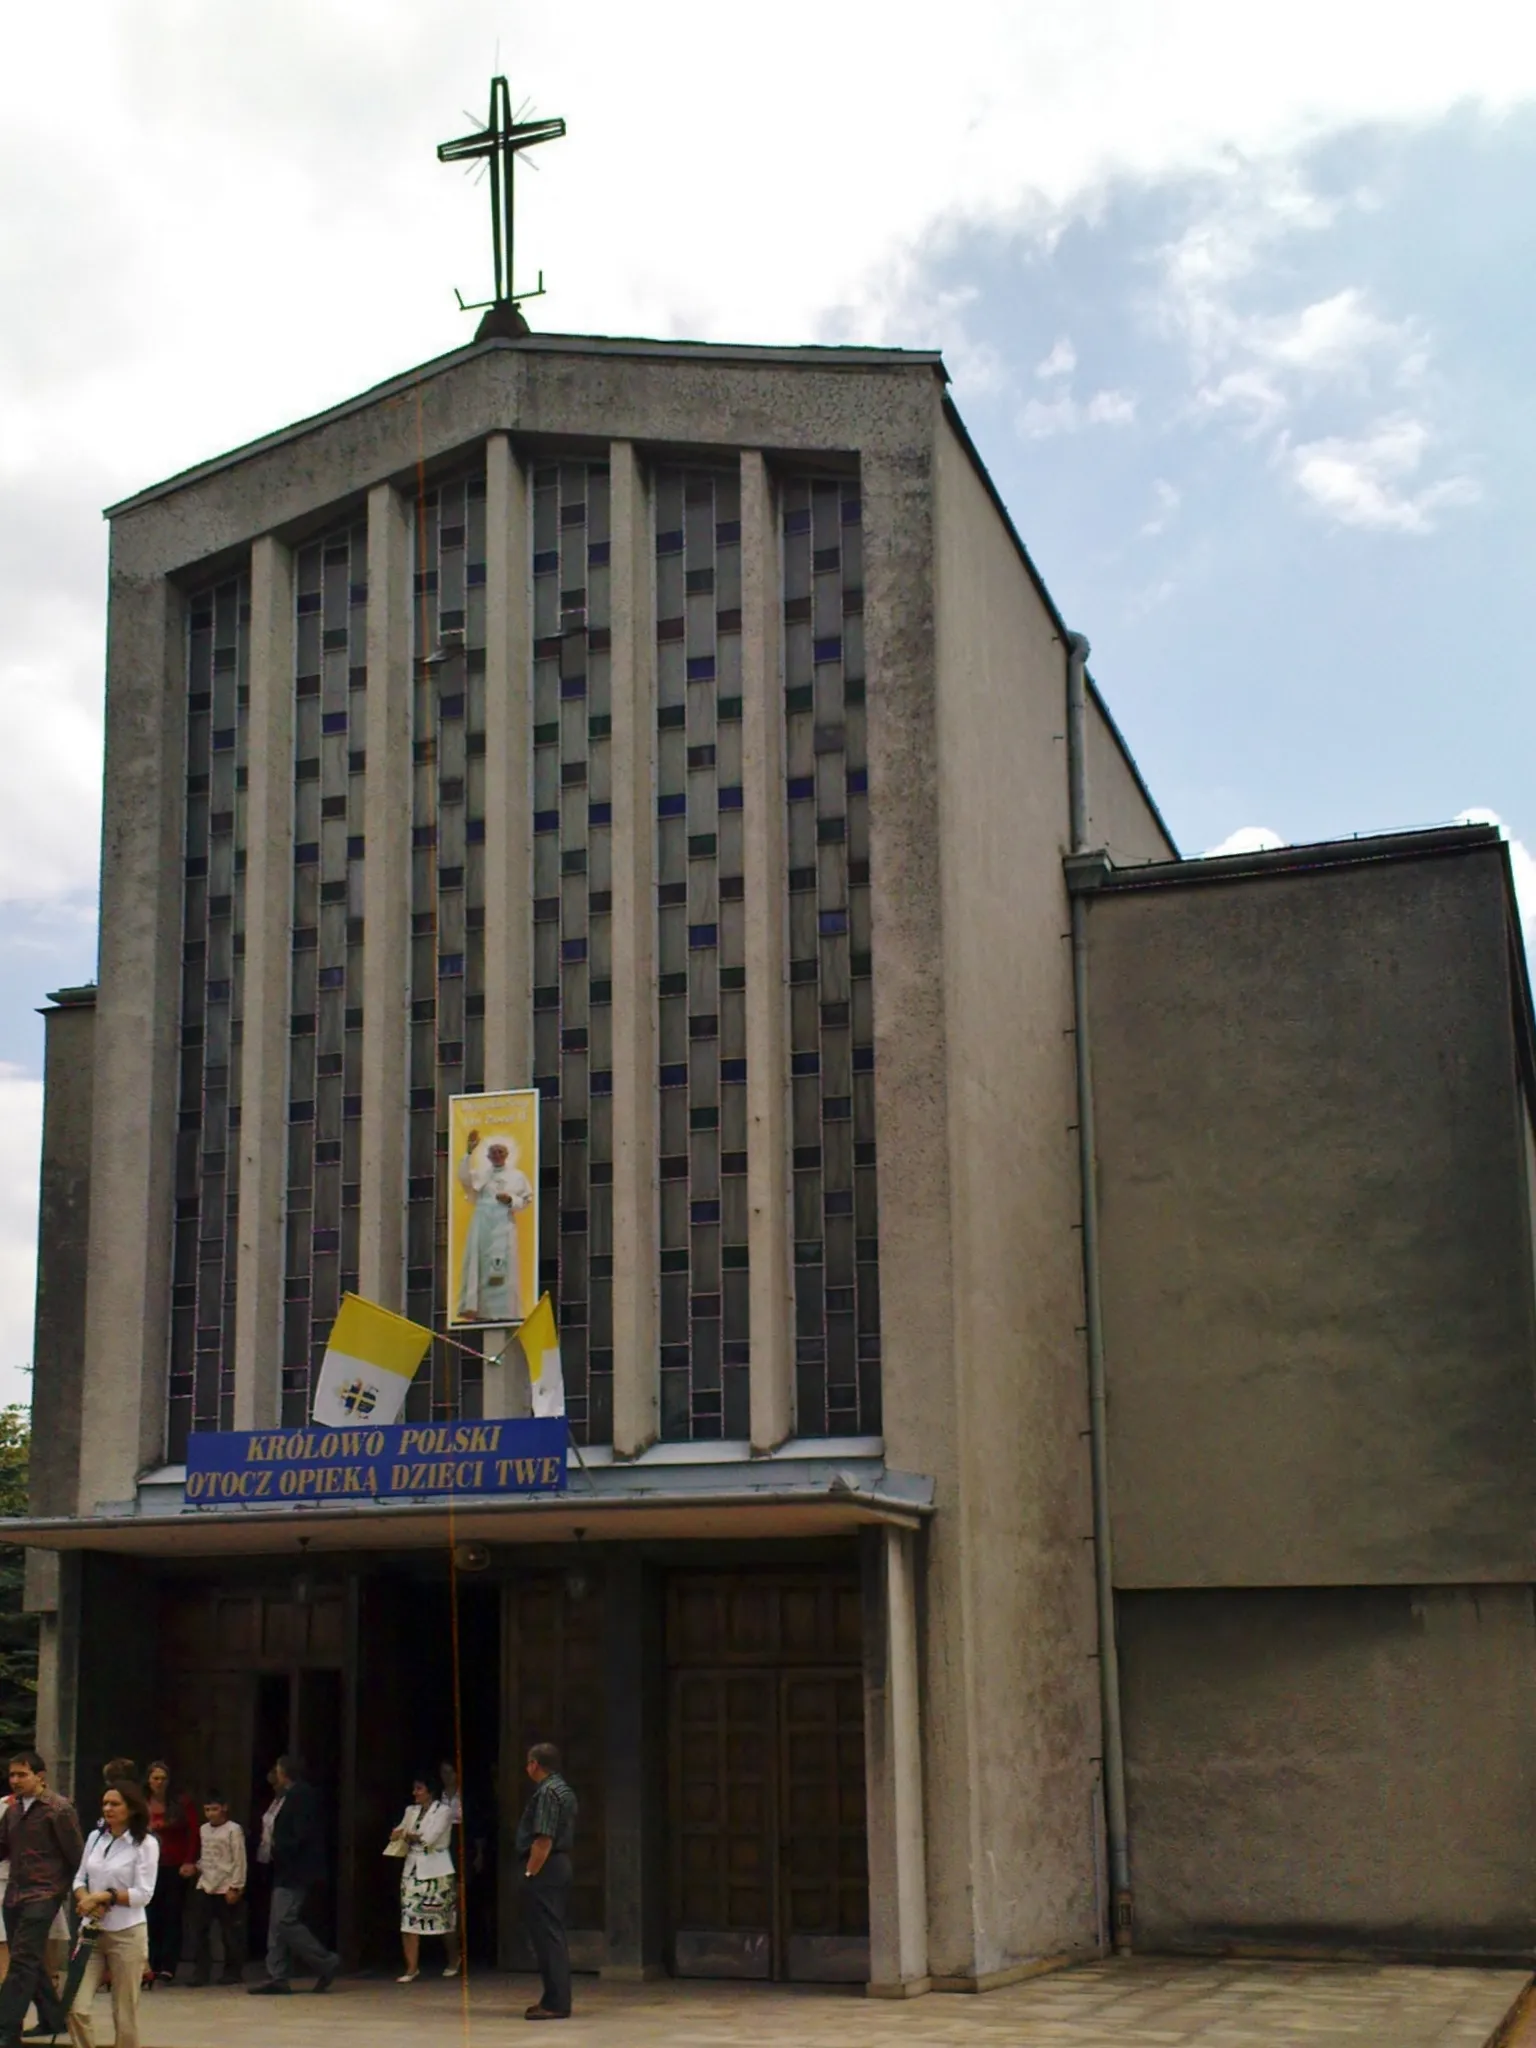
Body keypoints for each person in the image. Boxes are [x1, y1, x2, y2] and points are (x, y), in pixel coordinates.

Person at [66, 1779, 158, 2048]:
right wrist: (85, 1898)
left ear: (130, 1808)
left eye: (115, 1804)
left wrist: (106, 1895)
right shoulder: (96, 1837)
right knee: (76, 2006)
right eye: (105, 1803)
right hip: (92, 1931)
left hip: (127, 1933)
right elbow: (79, 1878)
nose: (108, 1808)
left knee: (125, 2013)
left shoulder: (145, 1843)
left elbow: (144, 1894)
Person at [0, 1751, 83, 2048]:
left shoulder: (58, 1809)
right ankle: (52, 2016)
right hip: (14, 1895)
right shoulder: (12, 1811)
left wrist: (72, 1892)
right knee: (29, 1959)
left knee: (21, 1961)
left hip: (44, 1894)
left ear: (40, 1776)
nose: (15, 1780)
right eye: (12, 1775)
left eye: (22, 1774)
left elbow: (77, 1855)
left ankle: (6, 2029)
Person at [248, 1755, 337, 1996]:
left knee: (285, 1920)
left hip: (296, 1868)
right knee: (277, 1923)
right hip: (283, 1867)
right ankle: (278, 1975)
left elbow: (301, 1833)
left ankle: (325, 1961)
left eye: (277, 1771)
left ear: (285, 1773)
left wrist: (281, 1849)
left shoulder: (302, 1796)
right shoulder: (283, 1797)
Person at [515, 1744, 577, 2023]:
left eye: (529, 1763)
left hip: (547, 1867)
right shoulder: (562, 1788)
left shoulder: (548, 1793)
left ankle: (556, 2002)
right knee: (550, 1934)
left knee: (548, 1935)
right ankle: (553, 1997)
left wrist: (529, 1873)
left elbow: (543, 1840)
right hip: (557, 1866)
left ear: (535, 1764)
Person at [456, 1129, 532, 1322]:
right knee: (479, 1263)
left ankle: (505, 1311)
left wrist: (510, 1199)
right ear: (488, 1156)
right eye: (493, 1152)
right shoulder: (482, 1174)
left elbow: (526, 1199)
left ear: (507, 1155)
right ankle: (478, 1309)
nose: (497, 1155)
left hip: (504, 1224)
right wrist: (468, 1152)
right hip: (482, 1223)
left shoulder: (517, 1176)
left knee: (504, 1266)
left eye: (501, 1152)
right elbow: (464, 1179)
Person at [390, 1776, 459, 1984]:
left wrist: (409, 1835)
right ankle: (411, 1968)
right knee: (408, 1919)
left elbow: (430, 1837)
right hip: (413, 1868)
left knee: (444, 1919)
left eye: (419, 1789)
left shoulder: (444, 1811)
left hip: (437, 1870)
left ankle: (454, 1959)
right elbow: (399, 1832)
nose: (415, 1793)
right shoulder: (410, 1811)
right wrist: (399, 1834)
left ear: (430, 1791)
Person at [143, 1762, 198, 1984]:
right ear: (148, 1780)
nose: (159, 1782)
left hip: (174, 1864)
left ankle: (168, 1965)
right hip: (148, 1866)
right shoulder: (141, 1802)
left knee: (172, 1916)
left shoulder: (181, 1803)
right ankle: (151, 1964)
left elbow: (193, 1833)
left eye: (163, 1778)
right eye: (155, 1778)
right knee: (150, 1915)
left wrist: (189, 1860)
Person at [186, 1792, 246, 1987]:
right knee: (200, 1931)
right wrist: (196, 1867)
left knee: (229, 1933)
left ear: (224, 1808)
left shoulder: (233, 1830)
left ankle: (233, 1971)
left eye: (215, 1809)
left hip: (225, 1886)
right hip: (205, 1884)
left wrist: (236, 1886)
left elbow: (238, 1859)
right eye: (207, 1810)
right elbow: (207, 1856)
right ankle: (201, 1972)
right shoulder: (203, 1829)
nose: (211, 1814)